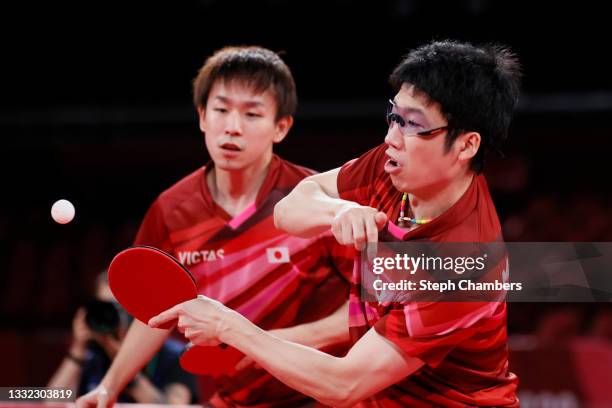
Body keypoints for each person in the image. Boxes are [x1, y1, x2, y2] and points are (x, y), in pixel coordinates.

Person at [147, 39, 522, 407]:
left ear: (466, 145)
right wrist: (338, 212)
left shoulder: (464, 267)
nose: (391, 137)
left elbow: (343, 385)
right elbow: (289, 209)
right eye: (394, 116)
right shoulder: (393, 166)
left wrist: (230, 327)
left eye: (413, 125)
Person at [76, 46, 354, 408]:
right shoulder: (172, 209)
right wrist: (109, 387)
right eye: (221, 110)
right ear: (203, 117)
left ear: (281, 127)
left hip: (318, 396)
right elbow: (156, 314)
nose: (232, 127)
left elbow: (371, 305)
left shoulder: (314, 201)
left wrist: (263, 343)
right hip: (225, 400)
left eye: (252, 114)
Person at [48, 272, 198, 404]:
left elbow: (175, 407)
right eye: (103, 307)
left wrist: (122, 364)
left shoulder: (174, 354)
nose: (109, 315)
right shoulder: (90, 353)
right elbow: (52, 403)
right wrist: (77, 349)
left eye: (116, 308)